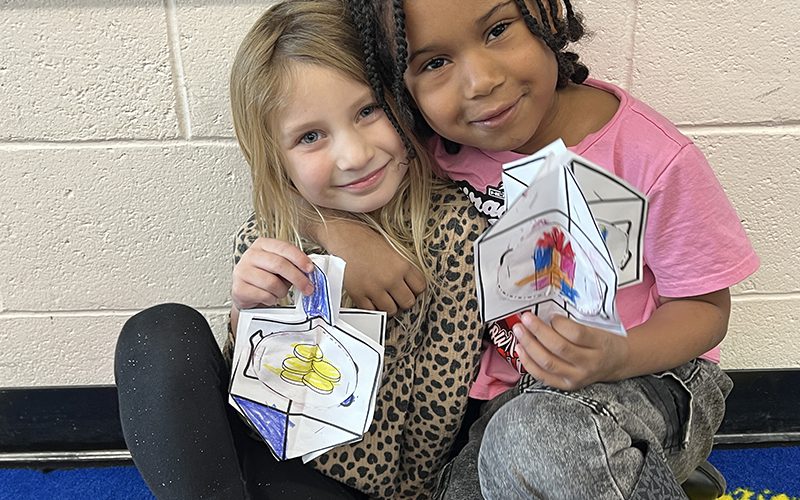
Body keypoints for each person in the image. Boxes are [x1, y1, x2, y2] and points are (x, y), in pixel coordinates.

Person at [310, 0, 759, 498]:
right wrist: (336, 231)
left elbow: (706, 310)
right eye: (434, 63)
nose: (480, 81)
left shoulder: (651, 156)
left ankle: (640, 464)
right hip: (507, 404)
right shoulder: (434, 154)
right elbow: (293, 180)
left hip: (653, 377)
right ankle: (644, 478)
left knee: (535, 439)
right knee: (492, 458)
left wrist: (616, 356)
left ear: (544, 14)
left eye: (499, 29)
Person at [114, 1, 487, 498]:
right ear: (278, 158)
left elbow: (439, 409)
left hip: (362, 485)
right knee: (156, 333)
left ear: (401, 99)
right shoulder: (270, 234)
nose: (355, 155)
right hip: (247, 458)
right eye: (311, 136)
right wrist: (243, 313)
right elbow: (245, 394)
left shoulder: (454, 232)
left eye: (368, 110)